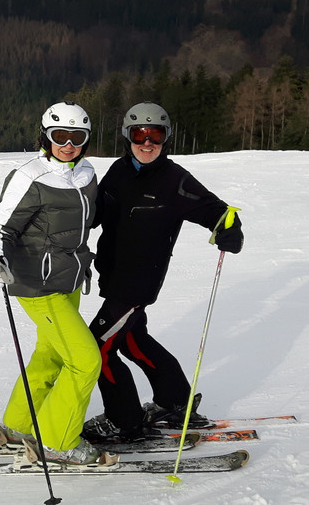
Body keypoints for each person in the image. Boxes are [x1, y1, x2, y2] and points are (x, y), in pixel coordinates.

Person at [83, 102, 244, 443]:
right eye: (139, 134)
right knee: (132, 340)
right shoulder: (118, 172)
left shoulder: (174, 180)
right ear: (127, 136)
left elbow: (216, 211)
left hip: (137, 283)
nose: (147, 143)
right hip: (113, 277)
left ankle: (124, 420)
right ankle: (175, 402)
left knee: (97, 347)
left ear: (165, 138)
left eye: (155, 135)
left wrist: (229, 227)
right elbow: (95, 215)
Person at [0, 101, 109, 466]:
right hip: (37, 284)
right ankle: (58, 440)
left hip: (69, 279)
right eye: (60, 136)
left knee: (51, 354)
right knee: (85, 361)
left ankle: (19, 425)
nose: (67, 144)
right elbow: (0, 227)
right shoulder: (30, 176)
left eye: (76, 137)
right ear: (45, 136)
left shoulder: (86, 173)